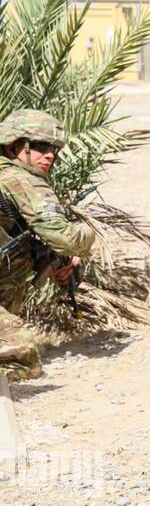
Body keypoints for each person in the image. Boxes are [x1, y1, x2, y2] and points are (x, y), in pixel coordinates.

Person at [0, 110, 96, 380]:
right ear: (13, 146)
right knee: (20, 354)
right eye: (40, 146)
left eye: (53, 148)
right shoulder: (21, 180)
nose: (50, 155)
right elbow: (65, 238)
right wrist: (90, 234)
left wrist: (50, 259)